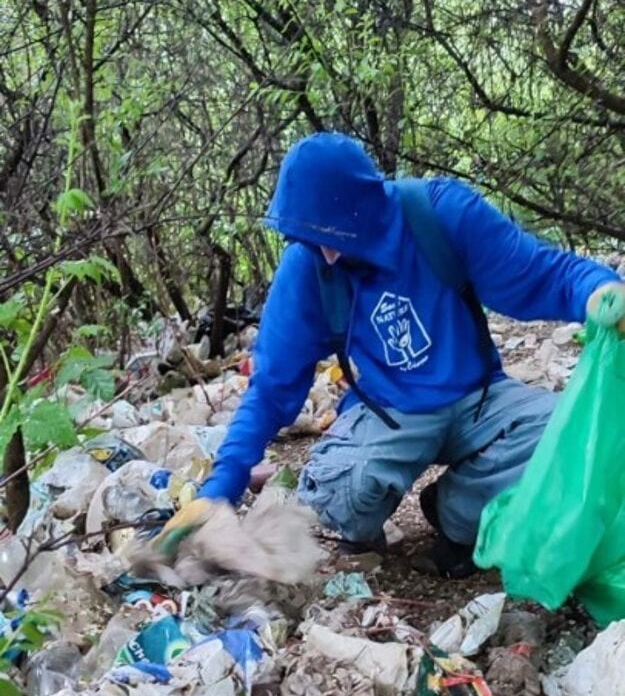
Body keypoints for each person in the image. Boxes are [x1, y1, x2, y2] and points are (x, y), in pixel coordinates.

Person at [164, 133, 625, 577]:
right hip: (388, 411)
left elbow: (541, 274)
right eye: (305, 238)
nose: (323, 254)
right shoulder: (307, 268)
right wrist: (219, 489)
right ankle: (386, 502)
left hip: (480, 399)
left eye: (330, 236)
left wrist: (599, 292)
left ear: (363, 208)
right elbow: (271, 390)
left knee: (577, 440)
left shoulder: (440, 215)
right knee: (339, 499)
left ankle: (455, 512)